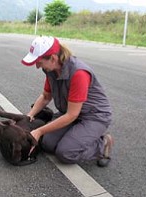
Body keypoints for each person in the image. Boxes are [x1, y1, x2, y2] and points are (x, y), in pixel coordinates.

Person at [21, 36, 114, 167]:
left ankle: (103, 144)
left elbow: (72, 115)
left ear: (53, 58)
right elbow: (46, 97)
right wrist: (29, 115)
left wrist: (39, 131)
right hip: (71, 113)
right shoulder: (51, 70)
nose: (37, 66)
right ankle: (78, 136)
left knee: (66, 152)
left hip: (94, 116)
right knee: (47, 144)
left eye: (39, 62)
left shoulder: (78, 73)